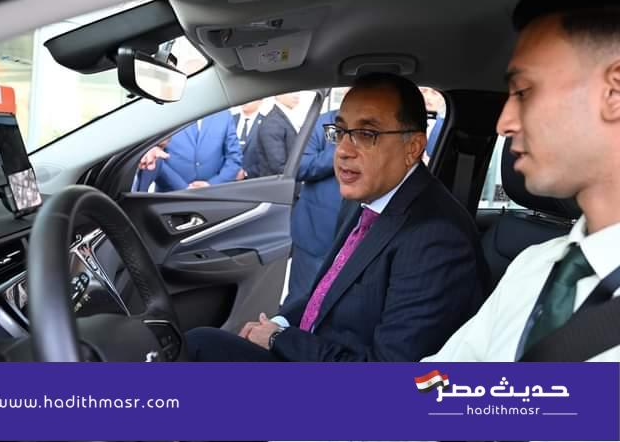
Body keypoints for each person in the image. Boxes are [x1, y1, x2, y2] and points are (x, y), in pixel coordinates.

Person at [186, 73, 488, 362]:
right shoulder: (367, 200)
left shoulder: (435, 238)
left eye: (366, 134)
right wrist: (279, 323)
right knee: (202, 342)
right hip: (315, 353)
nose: (342, 150)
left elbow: (389, 375)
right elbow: (325, 295)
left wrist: (279, 339)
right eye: (340, 132)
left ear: (413, 148)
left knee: (200, 346)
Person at [427, 0, 620, 362]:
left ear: (614, 93)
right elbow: (434, 388)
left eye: (524, 91)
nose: (504, 123)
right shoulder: (533, 267)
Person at [286, 108, 342, 304]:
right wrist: (342, 151)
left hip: (361, 235)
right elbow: (299, 166)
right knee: (300, 302)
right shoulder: (324, 122)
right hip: (316, 235)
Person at [154, 110, 242, 192]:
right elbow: (155, 154)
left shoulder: (224, 115)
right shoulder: (166, 113)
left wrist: (213, 184)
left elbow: (234, 158)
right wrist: (182, 186)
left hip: (213, 194)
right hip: (170, 194)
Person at [249, 93, 300, 178]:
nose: (297, 95)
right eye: (291, 91)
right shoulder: (272, 123)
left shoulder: (286, 117)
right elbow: (279, 166)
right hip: (282, 183)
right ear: (278, 95)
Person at [232, 99, 265, 180]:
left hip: (252, 181)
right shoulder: (230, 120)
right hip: (225, 180)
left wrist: (246, 173)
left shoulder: (266, 122)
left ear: (260, 101)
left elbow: (267, 158)